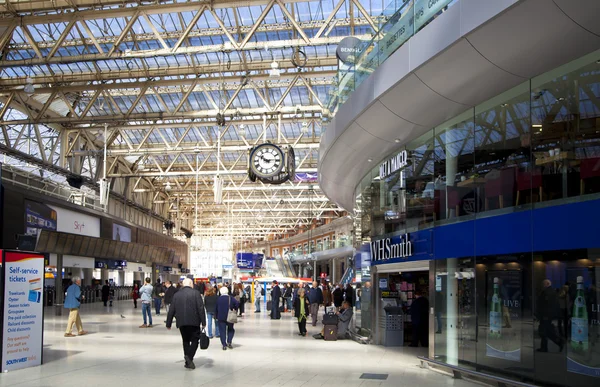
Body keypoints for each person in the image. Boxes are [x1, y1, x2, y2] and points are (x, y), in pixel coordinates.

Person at [166, 278, 206, 370]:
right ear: (191, 284)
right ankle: (189, 357)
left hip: (181, 321)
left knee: (185, 340)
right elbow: (201, 308)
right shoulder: (196, 293)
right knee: (195, 340)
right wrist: (203, 322)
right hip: (194, 321)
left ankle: (187, 362)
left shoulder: (177, 295)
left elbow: (172, 309)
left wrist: (168, 323)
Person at [536, 279, 563, 352]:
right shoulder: (551, 291)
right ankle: (545, 347)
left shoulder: (548, 292)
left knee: (545, 331)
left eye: (543, 284)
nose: (542, 285)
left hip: (546, 315)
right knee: (545, 331)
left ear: (547, 284)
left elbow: (546, 305)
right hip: (547, 315)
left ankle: (559, 342)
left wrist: (543, 315)